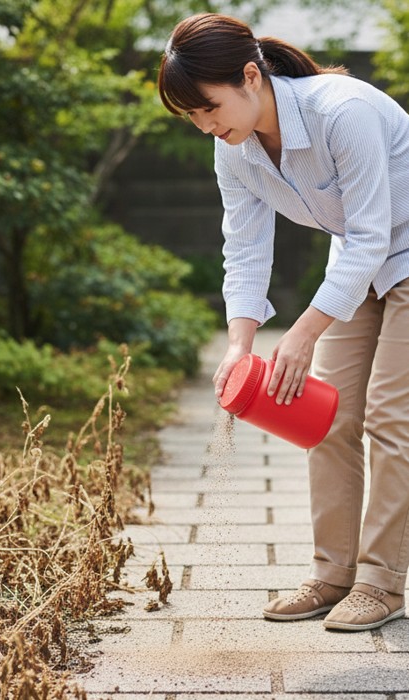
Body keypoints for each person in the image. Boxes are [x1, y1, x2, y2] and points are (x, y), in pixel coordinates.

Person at [158, 13, 409, 631]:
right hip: (357, 264)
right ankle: (332, 573)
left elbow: (373, 234)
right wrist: (238, 346)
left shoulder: (342, 111)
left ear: (251, 76)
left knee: (390, 417)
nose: (205, 125)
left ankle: (382, 584)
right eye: (191, 116)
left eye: (209, 108)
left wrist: (301, 333)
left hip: (395, 250)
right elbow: (245, 250)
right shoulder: (234, 149)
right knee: (326, 415)